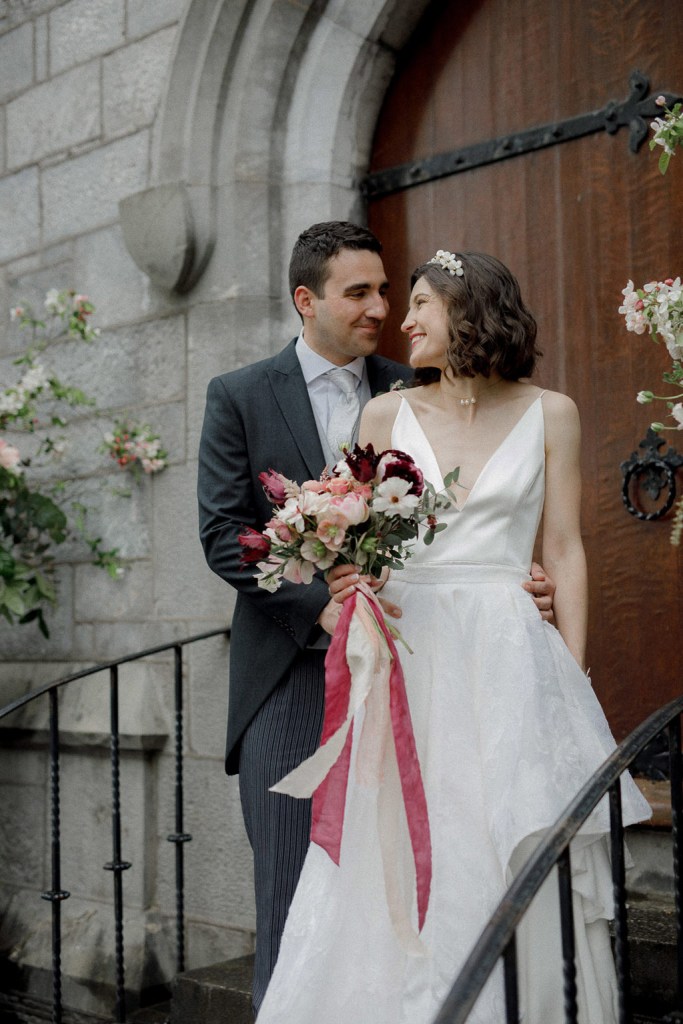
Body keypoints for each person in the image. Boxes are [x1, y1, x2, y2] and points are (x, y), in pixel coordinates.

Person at [254, 250, 651, 1023]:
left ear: (469, 312)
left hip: (509, 650)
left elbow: (563, 547)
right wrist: (339, 571)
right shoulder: (382, 415)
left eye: (422, 304)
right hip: (408, 649)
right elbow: (354, 535)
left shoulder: (552, 412)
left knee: (502, 829)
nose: (403, 322)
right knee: (396, 833)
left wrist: (569, 673)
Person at [197, 225, 556, 1016]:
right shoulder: (239, 394)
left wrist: (518, 585)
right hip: (290, 673)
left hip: (418, 669)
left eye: (388, 291)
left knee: (422, 883)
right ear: (307, 300)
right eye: (359, 293)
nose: (383, 310)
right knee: (299, 902)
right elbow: (224, 534)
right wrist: (318, 606)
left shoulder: (422, 380)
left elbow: (477, 509)